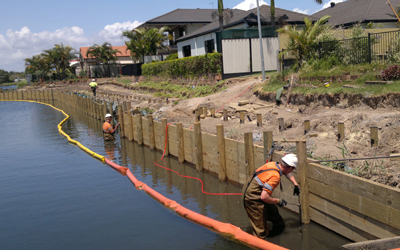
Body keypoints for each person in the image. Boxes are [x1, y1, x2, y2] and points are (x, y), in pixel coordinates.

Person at [242, 153, 300, 238]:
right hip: (252, 197)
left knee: (276, 218)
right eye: (292, 169)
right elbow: (264, 197)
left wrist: (295, 184)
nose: (291, 171)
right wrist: (278, 201)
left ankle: (273, 237)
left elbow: (286, 172)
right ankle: (259, 241)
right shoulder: (275, 176)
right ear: (291, 168)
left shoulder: (274, 164)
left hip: (258, 191)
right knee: (260, 230)